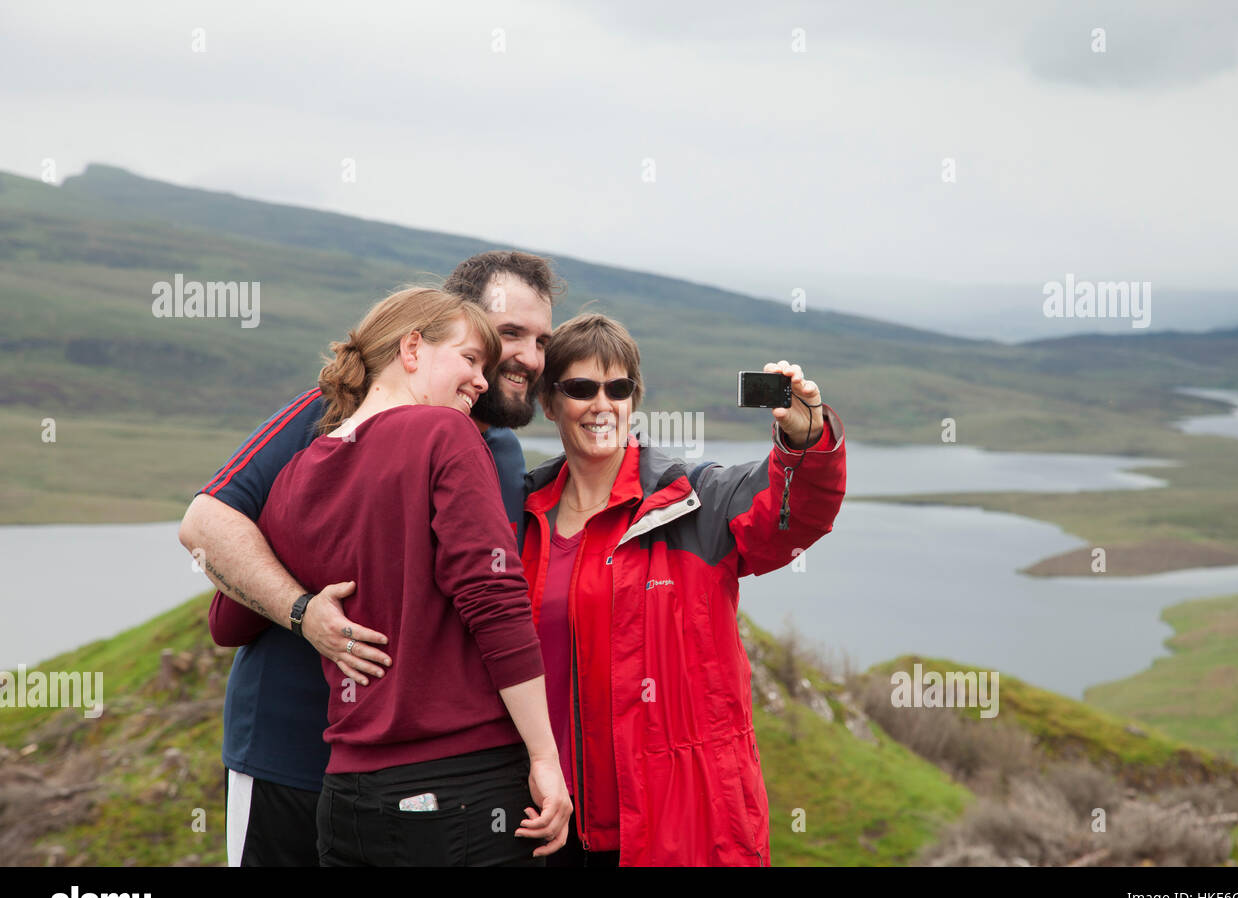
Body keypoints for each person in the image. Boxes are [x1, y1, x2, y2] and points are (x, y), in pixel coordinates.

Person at [178, 251, 560, 866]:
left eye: (542, 340)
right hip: (288, 754)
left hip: (394, 774)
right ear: (419, 344)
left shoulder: (506, 456)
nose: (528, 358)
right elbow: (204, 525)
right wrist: (304, 612)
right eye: (504, 335)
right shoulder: (328, 411)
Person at [520, 313, 846, 866]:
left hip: (681, 825)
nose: (602, 404)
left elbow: (794, 517)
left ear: (633, 399)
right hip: (552, 824)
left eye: (618, 388)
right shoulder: (522, 517)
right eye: (580, 388)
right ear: (549, 404)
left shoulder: (696, 500)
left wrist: (806, 437)